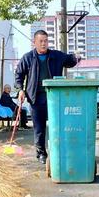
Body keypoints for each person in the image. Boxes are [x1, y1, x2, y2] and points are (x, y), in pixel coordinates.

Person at [15, 30, 79, 164]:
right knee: (39, 128)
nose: (44, 44)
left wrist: (76, 56)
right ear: (35, 42)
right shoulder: (27, 58)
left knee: (59, 125)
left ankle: (60, 151)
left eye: (46, 41)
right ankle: (41, 154)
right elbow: (19, 75)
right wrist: (20, 90)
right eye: (41, 41)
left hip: (55, 97)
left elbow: (70, 61)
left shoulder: (56, 55)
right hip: (36, 98)